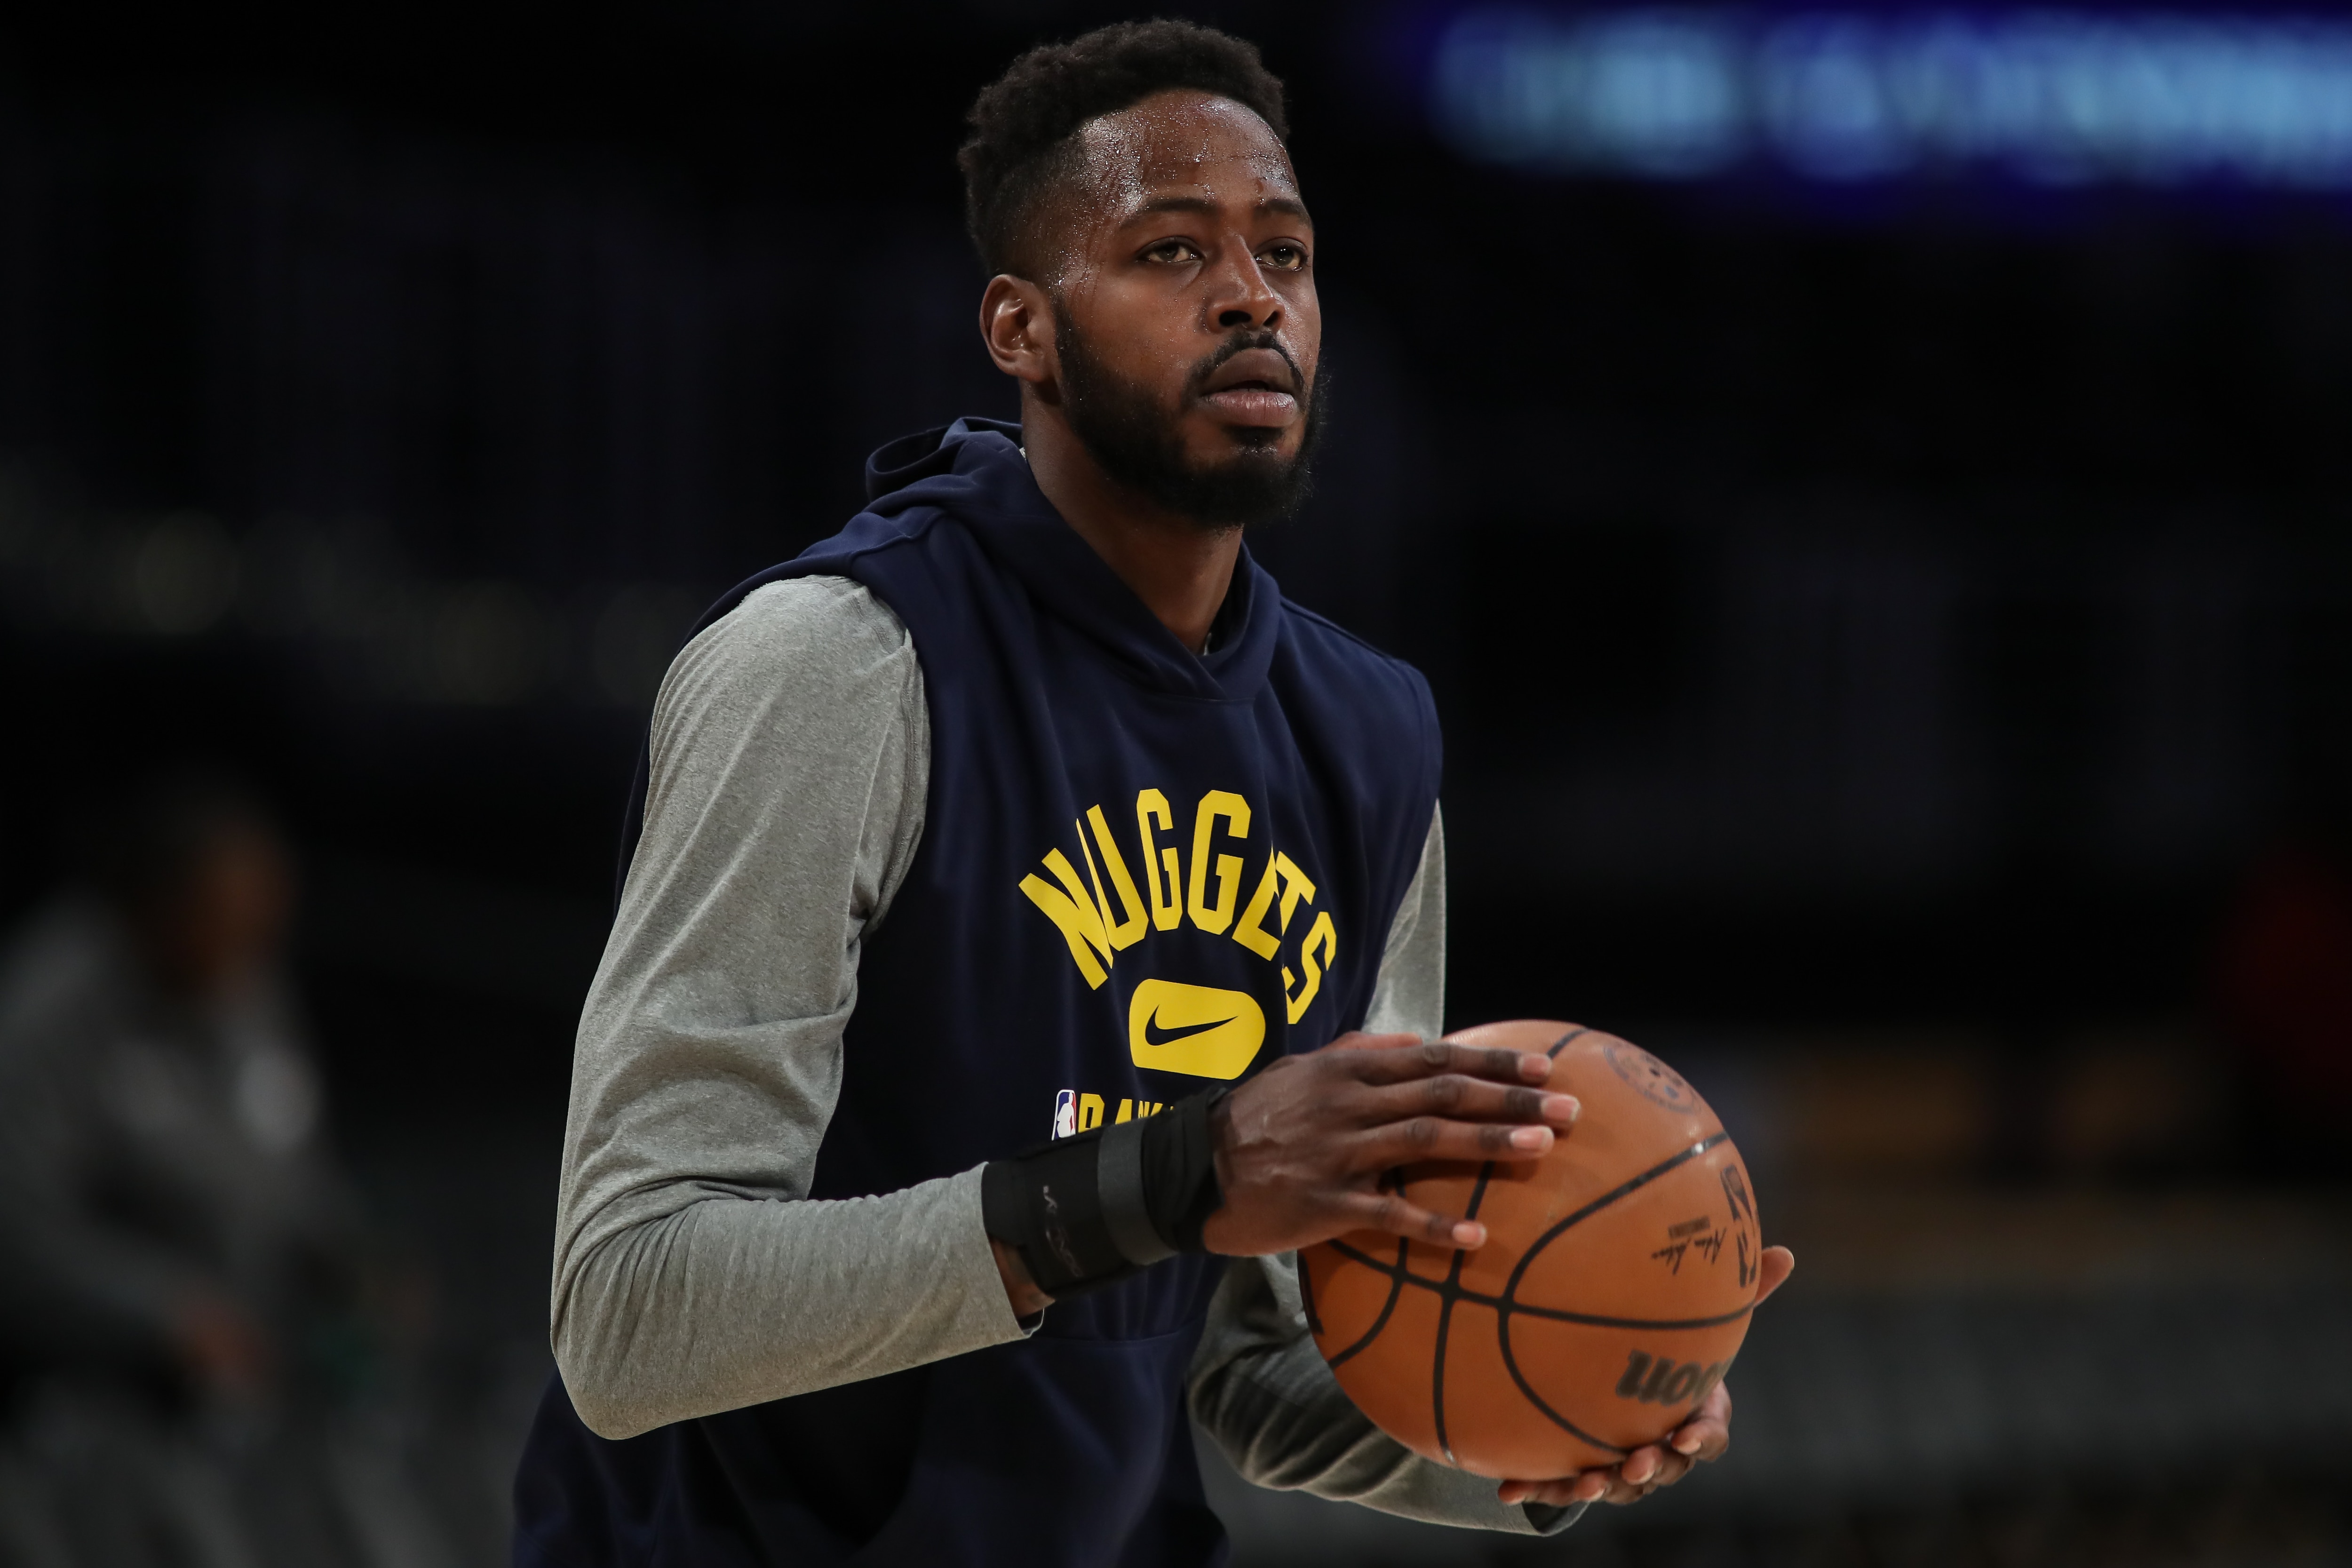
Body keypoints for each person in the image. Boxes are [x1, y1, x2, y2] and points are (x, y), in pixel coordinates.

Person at [513, 22, 1793, 1566]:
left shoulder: (1369, 738)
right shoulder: (836, 666)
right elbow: (632, 1312)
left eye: (1287, 253)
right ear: (1023, 329)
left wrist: (1553, 1429)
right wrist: (1168, 1178)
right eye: (1170, 250)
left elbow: (1257, 1362)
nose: (1253, 295)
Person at [0, 770, 359, 1411]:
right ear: (161, 904)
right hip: (96, 1388)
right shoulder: (51, 1014)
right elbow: (20, 1239)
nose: (254, 945)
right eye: (227, 919)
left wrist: (350, 1258)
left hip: (263, 1365)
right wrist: (163, 1310)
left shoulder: (247, 987)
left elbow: (295, 1167)